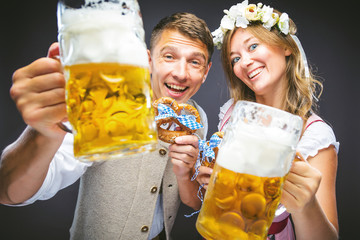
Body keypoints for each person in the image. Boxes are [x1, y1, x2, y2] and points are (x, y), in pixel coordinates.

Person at [0, 12, 213, 239]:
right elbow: (10, 191)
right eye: (169, 57)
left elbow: (194, 196)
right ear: (149, 61)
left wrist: (187, 174)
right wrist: (43, 131)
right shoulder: (107, 107)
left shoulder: (197, 118)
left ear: (206, 71)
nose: (181, 74)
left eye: (194, 62)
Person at [196, 1, 339, 239]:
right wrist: (209, 182)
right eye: (235, 59)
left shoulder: (315, 135)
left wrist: (307, 205)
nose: (244, 63)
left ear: (285, 47)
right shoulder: (232, 113)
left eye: (253, 46)